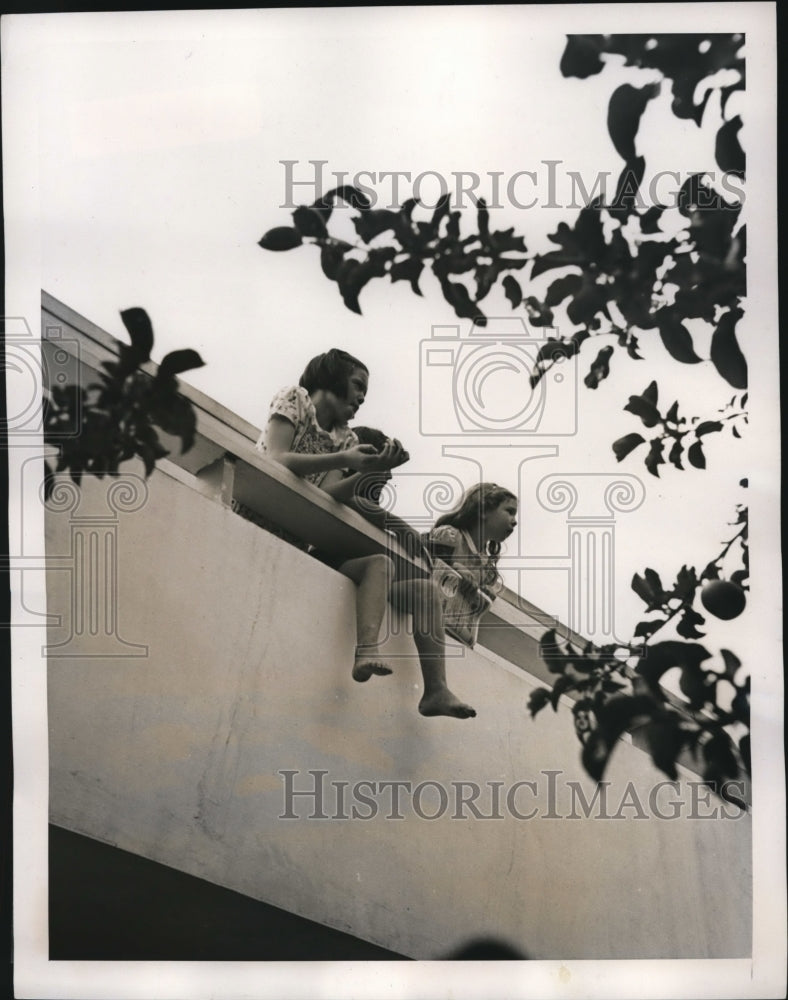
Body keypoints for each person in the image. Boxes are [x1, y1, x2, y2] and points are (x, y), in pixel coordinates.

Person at [260, 350, 476, 719]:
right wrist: (347, 463)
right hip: (262, 514)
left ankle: (436, 689)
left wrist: (369, 471)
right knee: (379, 562)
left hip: (300, 535)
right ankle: (367, 649)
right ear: (331, 377)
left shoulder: (342, 438)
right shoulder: (294, 398)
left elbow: (329, 493)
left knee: (425, 589)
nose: (361, 398)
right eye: (358, 385)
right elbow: (275, 459)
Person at [426, 483, 518, 602]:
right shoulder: (450, 537)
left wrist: (484, 592)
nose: (515, 522)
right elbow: (426, 562)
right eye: (510, 512)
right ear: (483, 511)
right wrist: (455, 569)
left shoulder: (487, 568)